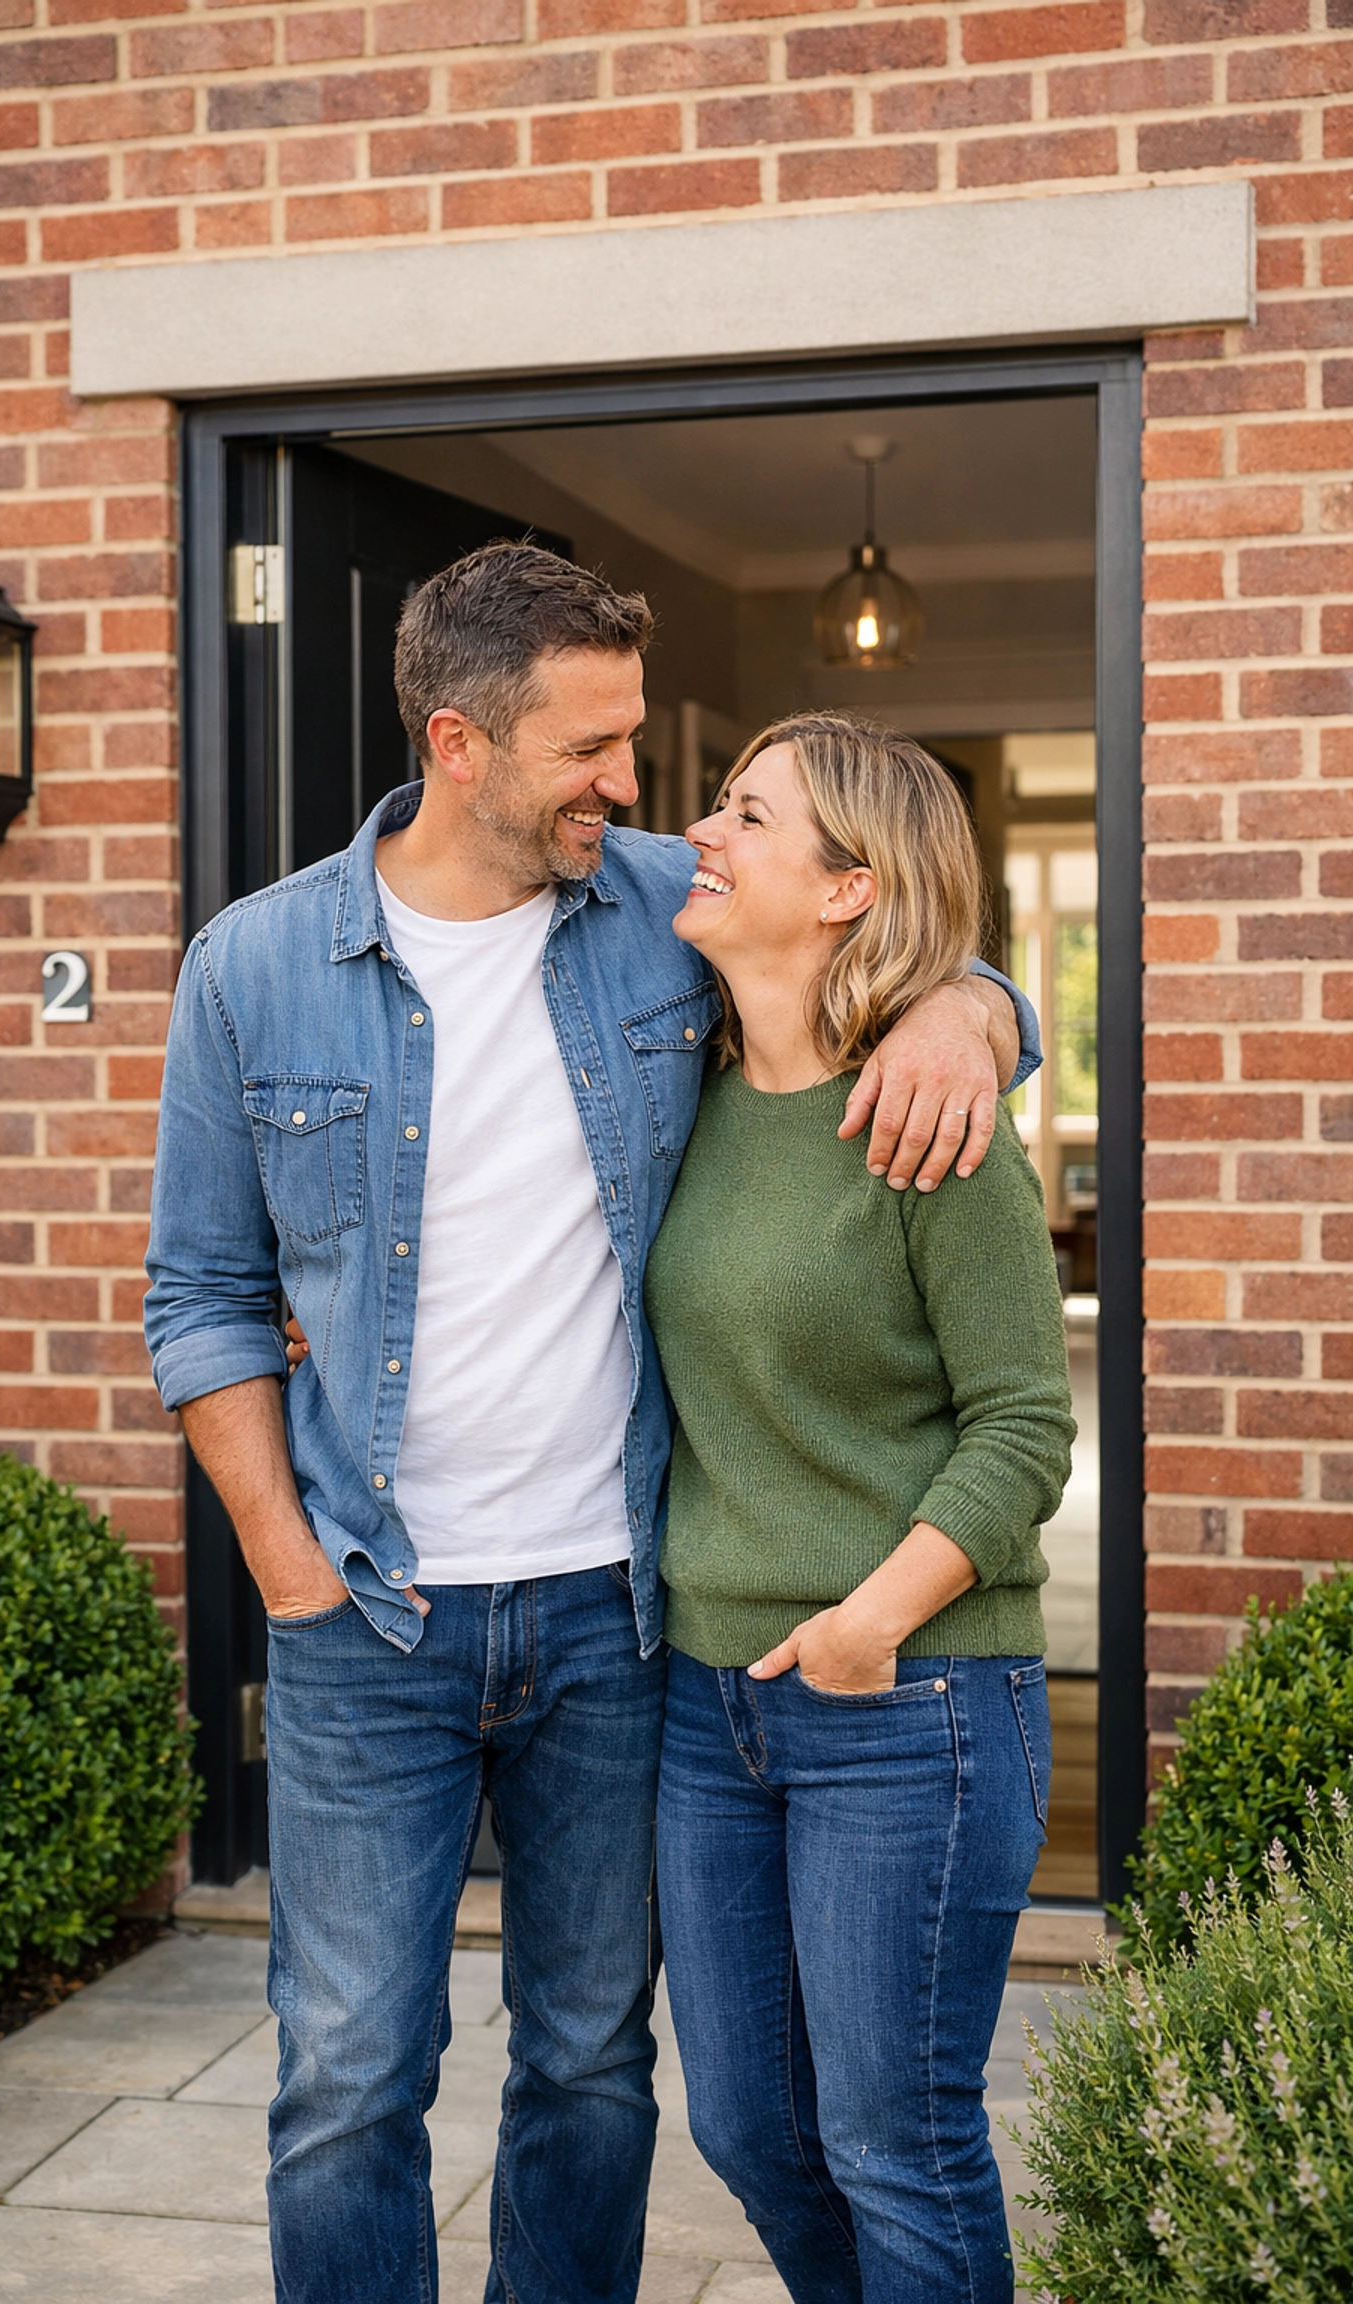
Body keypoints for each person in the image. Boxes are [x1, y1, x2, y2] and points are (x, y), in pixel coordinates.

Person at [143, 546, 1040, 2304]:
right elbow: (200, 1297)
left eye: (641, 748)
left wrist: (977, 1007)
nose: (633, 789)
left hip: (616, 1618)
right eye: (595, 748)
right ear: (461, 744)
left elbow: (875, 941)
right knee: (345, 2084)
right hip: (370, 1612)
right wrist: (284, 1564)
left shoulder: (655, 911)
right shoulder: (253, 972)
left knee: (591, 2067)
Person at [644, 711, 1075, 2304]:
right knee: (755, 2129)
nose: (701, 828)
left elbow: (1027, 1427)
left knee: (898, 2138)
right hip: (709, 1705)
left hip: (914, 1694)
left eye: (748, 814)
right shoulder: (675, 1082)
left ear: (845, 889)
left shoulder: (932, 1123)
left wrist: (868, 1623)